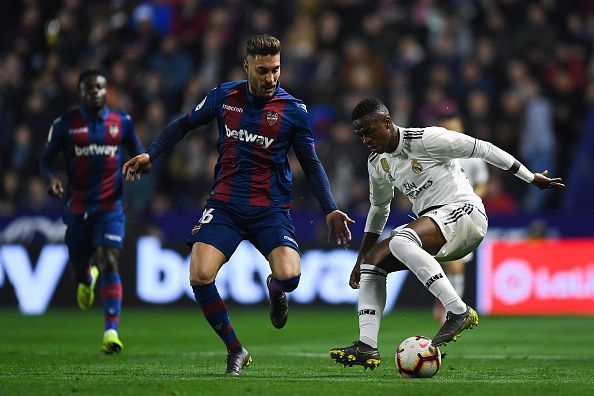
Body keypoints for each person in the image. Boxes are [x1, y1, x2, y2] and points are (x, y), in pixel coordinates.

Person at [122, 34, 353, 376]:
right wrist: (149, 153)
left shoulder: (293, 110)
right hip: (226, 206)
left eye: (276, 69)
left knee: (290, 277)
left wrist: (330, 207)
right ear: (247, 66)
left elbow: (311, 163)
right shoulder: (224, 96)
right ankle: (235, 349)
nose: (271, 77)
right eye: (262, 70)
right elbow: (184, 124)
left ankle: (276, 290)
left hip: (270, 209)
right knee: (200, 276)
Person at [329, 98, 563, 369]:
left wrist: (530, 177)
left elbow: (484, 149)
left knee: (402, 239)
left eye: (369, 131)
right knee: (373, 263)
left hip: (466, 213)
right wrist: (361, 256)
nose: (366, 140)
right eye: (360, 135)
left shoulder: (427, 139)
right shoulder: (377, 163)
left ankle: (458, 310)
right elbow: (379, 209)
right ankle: (367, 346)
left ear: (386, 122)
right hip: (438, 227)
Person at [39, 69, 144, 354]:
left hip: (111, 205)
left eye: (100, 87)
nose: (96, 92)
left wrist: (140, 164)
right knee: (81, 272)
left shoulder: (121, 122)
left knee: (109, 260)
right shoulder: (64, 125)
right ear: (81, 92)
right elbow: (45, 162)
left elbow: (139, 153)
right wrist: (51, 180)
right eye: (90, 88)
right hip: (77, 206)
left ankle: (111, 331)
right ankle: (87, 278)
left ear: (106, 90)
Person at [433, 108, 490, 324]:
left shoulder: (472, 155)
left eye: (454, 129)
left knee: (456, 265)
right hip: (437, 212)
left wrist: (470, 200)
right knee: (443, 265)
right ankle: (446, 301)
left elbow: (483, 183)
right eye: (447, 129)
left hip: (463, 215)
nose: (451, 133)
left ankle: (452, 309)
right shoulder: (434, 153)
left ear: (462, 130)